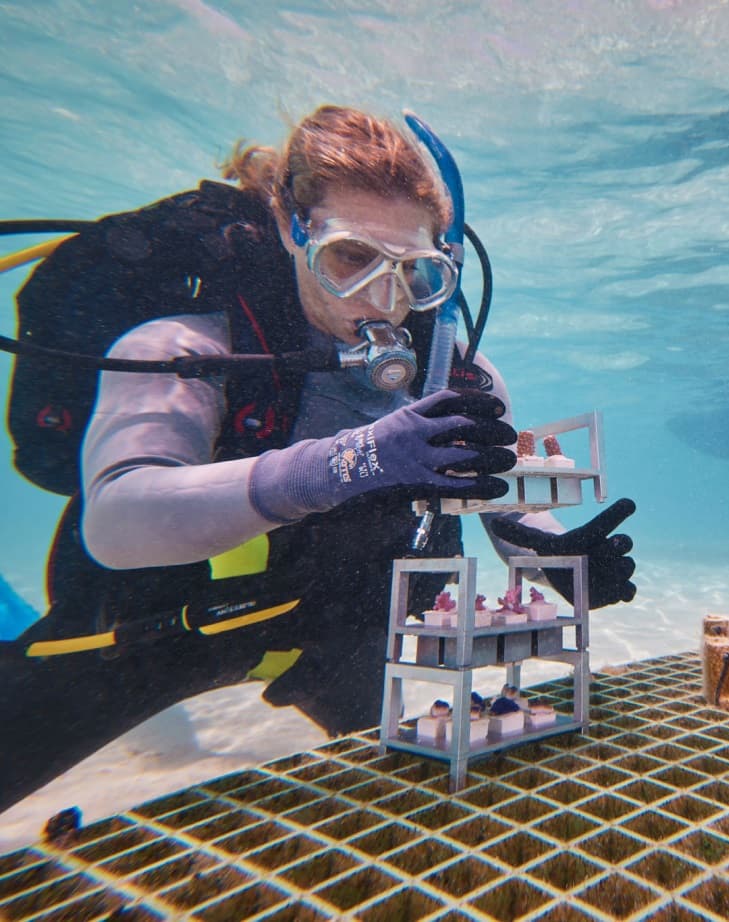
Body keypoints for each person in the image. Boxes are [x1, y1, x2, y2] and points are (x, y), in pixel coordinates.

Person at [0, 105, 636, 811]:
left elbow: (500, 501)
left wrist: (557, 562)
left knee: (421, 810)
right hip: (158, 633)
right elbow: (117, 524)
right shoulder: (186, 349)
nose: (383, 298)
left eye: (413, 270)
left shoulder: (458, 372)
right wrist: (346, 462)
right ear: (289, 226)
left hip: (341, 635)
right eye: (350, 256)